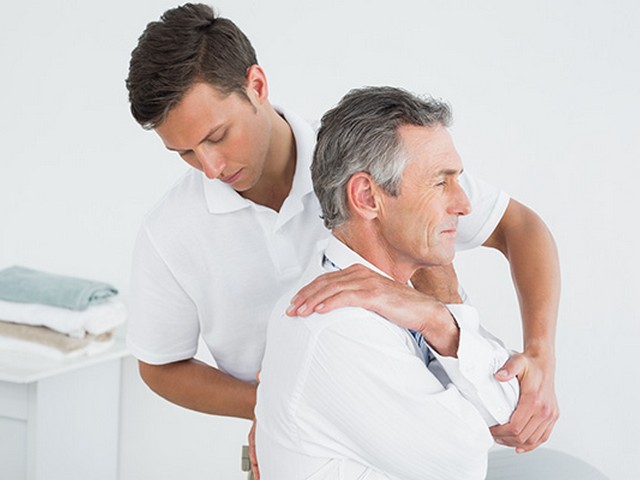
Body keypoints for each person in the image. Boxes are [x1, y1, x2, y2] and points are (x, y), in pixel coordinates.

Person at [124, 2, 560, 466]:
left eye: (217, 136)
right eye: (185, 153)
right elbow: (160, 366)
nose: (210, 167)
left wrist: (541, 355)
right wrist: (279, 406)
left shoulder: (365, 157)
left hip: (422, 409)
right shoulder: (170, 232)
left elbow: (518, 226)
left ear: (257, 86)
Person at [255, 85, 521, 479]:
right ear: (366, 197)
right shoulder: (335, 328)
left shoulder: (410, 292)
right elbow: (465, 465)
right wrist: (437, 316)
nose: (464, 205)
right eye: (440, 183)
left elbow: (510, 405)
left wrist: (443, 319)